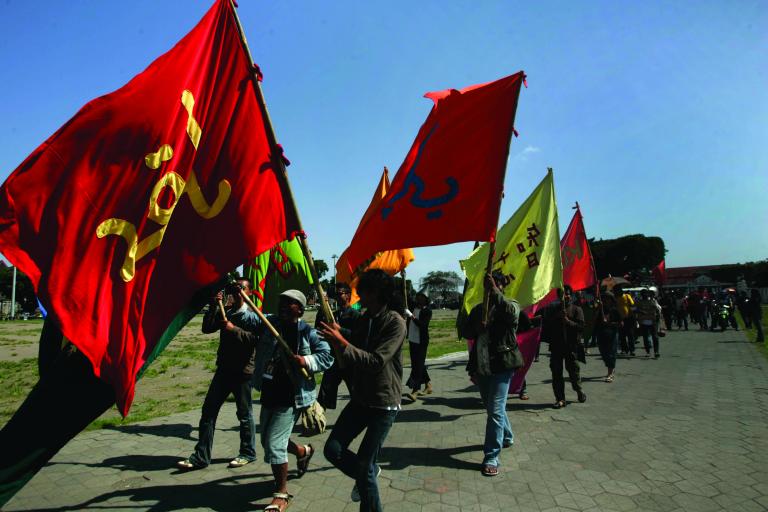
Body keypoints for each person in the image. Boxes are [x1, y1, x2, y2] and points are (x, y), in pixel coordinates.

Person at [320, 269, 406, 512]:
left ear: (377, 293)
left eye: (363, 291)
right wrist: (337, 332)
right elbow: (356, 341)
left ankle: (367, 479)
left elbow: (376, 360)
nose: (358, 295)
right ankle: (367, 472)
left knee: (364, 466)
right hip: (360, 398)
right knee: (333, 450)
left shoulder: (395, 323)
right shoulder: (365, 318)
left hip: (383, 402)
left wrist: (341, 341)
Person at [253, 289, 333, 512]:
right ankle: (302, 452)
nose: (283, 307)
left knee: (275, 445)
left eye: (289, 304)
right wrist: (240, 297)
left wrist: (305, 360)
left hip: (292, 396)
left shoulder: (308, 332)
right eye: (281, 303)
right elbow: (248, 317)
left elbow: (327, 357)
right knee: (266, 441)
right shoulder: (270, 323)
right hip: (269, 392)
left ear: (299, 308)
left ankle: (282, 494)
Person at [177, 279, 259, 470]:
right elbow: (207, 328)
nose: (237, 292)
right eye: (235, 289)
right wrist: (215, 304)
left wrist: (233, 329)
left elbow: (256, 340)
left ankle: (248, 452)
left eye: (242, 289)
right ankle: (201, 456)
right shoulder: (227, 311)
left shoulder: (254, 316)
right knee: (208, 413)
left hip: (243, 372)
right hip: (223, 370)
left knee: (244, 415)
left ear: (250, 292)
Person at [463, 271, 524, 477]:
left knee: (496, 410)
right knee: (492, 408)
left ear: (500, 286)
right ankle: (507, 436)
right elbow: (465, 331)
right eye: (487, 284)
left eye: (495, 283)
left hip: (502, 365)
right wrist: (476, 327)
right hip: (482, 367)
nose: (489, 288)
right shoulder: (479, 309)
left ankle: (491, 456)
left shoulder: (510, 303)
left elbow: (512, 315)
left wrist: (495, 292)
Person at [537, 285, 587, 408]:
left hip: (571, 347)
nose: (565, 296)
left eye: (568, 294)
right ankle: (560, 398)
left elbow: (581, 327)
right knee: (556, 373)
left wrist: (568, 321)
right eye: (563, 294)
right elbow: (546, 325)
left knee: (573, 372)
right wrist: (557, 317)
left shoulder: (576, 309)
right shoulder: (553, 309)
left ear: (571, 295)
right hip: (556, 346)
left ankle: (579, 390)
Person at [315, 282, 361, 410]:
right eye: (336, 294)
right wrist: (324, 306)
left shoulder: (356, 315)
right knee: (326, 388)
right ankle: (317, 417)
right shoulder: (333, 315)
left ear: (348, 295)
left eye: (340, 293)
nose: (337, 296)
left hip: (350, 359)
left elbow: (357, 337)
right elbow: (319, 325)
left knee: (356, 391)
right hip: (335, 357)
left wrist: (339, 330)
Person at [405, 292, 433, 400]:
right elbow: (406, 295)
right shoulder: (413, 307)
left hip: (422, 341)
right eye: (418, 297)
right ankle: (428, 384)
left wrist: (411, 316)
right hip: (412, 340)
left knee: (418, 366)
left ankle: (415, 390)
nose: (420, 299)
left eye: (422, 297)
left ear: (426, 299)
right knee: (417, 364)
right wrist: (403, 277)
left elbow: (422, 325)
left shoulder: (427, 311)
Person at [596, 291, 622, 382]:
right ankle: (611, 367)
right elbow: (593, 320)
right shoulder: (600, 309)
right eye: (604, 298)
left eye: (608, 298)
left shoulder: (614, 310)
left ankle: (610, 373)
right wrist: (599, 309)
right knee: (604, 353)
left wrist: (609, 323)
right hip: (601, 334)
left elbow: (620, 324)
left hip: (612, 335)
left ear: (611, 300)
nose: (606, 300)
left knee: (611, 353)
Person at [635, 289, 660, 358]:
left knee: (655, 337)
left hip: (653, 321)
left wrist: (657, 312)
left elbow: (658, 309)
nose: (644, 295)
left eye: (645, 294)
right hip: (643, 322)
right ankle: (648, 352)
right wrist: (640, 311)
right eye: (643, 294)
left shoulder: (653, 301)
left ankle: (656, 352)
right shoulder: (638, 302)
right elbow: (634, 309)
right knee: (645, 338)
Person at [616, 286, 636, 356]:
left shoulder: (627, 296)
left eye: (619, 291)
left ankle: (632, 350)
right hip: (620, 319)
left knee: (630, 335)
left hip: (629, 318)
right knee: (622, 335)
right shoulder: (616, 298)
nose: (618, 292)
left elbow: (632, 304)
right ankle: (624, 349)